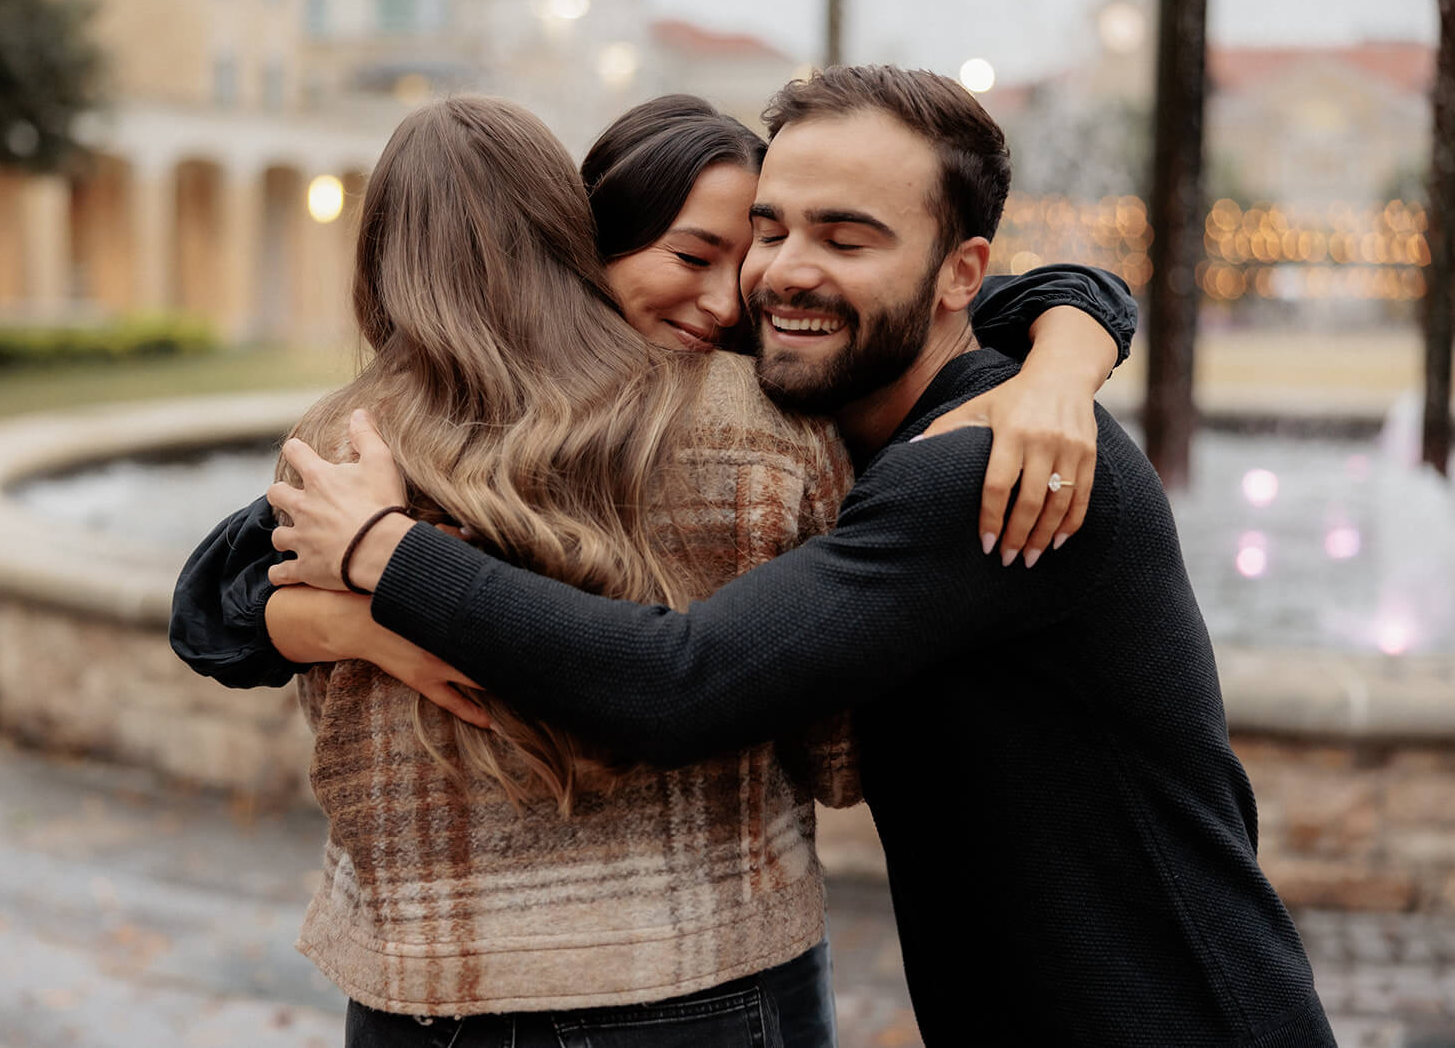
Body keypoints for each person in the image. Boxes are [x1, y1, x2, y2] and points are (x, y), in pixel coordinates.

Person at [263, 68, 1338, 1047]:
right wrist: (316, 613)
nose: (775, 277)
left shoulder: (983, 466)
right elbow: (230, 567)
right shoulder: (874, 406)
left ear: (960, 270)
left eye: (846, 236)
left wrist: (383, 555)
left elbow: (676, 683)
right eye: (763, 231)